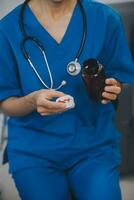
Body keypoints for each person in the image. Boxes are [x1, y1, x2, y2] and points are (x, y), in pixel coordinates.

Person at [0, 0, 134, 199]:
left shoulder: (105, 19)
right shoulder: (7, 29)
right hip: (34, 150)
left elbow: (119, 75)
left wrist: (113, 86)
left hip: (93, 145)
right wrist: (32, 101)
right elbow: (5, 102)